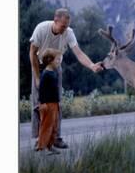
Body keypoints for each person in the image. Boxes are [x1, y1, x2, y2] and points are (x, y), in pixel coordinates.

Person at [29, 8, 102, 149]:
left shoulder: (69, 33)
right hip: (39, 65)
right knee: (38, 105)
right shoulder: (41, 29)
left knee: (56, 104)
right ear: (55, 20)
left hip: (56, 68)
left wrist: (92, 66)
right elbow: (32, 53)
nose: (65, 29)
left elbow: (79, 53)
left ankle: (56, 138)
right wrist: (37, 77)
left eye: (67, 26)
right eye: (63, 26)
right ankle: (39, 139)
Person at [35, 49, 63, 155]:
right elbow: (42, 90)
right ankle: (42, 147)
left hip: (54, 103)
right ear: (50, 60)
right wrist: (43, 104)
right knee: (46, 126)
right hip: (47, 104)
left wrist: (58, 102)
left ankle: (50, 146)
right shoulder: (46, 74)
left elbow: (54, 90)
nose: (59, 62)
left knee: (54, 126)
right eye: (57, 60)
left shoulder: (53, 73)